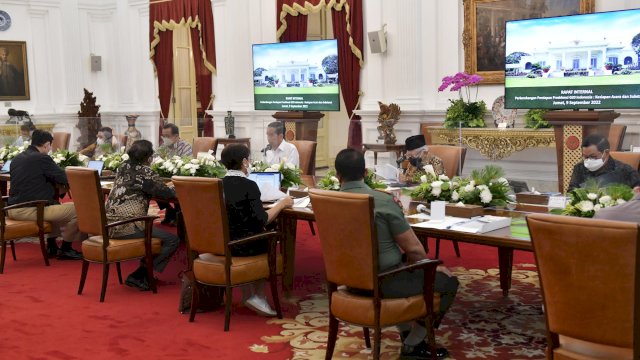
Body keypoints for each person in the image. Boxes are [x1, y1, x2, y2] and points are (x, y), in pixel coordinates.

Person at [335, 148, 458, 359]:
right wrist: (435, 266)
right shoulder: (381, 201)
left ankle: (406, 333)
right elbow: (415, 250)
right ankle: (414, 343)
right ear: (365, 173)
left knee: (403, 268)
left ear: (338, 176)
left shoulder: (326, 200)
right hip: (383, 281)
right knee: (448, 282)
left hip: (346, 281)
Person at [219, 143, 293, 316]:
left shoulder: (219, 184)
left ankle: (247, 294)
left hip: (222, 241)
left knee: (249, 231)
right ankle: (258, 296)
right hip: (242, 245)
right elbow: (263, 219)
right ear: (245, 162)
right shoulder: (249, 185)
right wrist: (282, 203)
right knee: (267, 235)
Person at [105, 140, 180, 291]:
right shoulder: (146, 173)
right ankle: (141, 273)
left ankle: (142, 273)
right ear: (149, 157)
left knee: (159, 234)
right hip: (128, 225)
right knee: (172, 240)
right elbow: (169, 194)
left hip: (109, 224)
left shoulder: (122, 167)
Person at [7, 130, 83, 260]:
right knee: (78, 209)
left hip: (12, 209)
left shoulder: (17, 158)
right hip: (29, 209)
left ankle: (52, 246)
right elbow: (64, 178)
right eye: (50, 147)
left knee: (55, 205)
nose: (49, 150)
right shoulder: (42, 158)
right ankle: (66, 249)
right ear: (47, 144)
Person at [568, 133, 640, 192]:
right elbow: (571, 192)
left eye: (593, 156)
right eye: (586, 157)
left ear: (606, 153)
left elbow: (637, 188)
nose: (589, 160)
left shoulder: (624, 170)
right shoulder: (580, 167)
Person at [157, 123, 192, 224]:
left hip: (180, 178)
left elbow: (186, 166)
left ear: (176, 136)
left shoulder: (185, 146)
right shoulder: (164, 146)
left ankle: (177, 212)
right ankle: (170, 210)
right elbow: (155, 159)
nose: (164, 138)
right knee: (151, 185)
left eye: (167, 136)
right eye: (163, 136)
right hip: (166, 178)